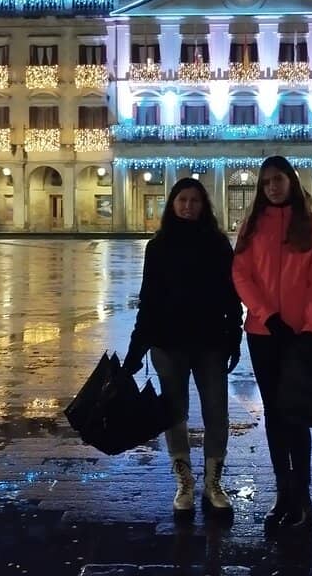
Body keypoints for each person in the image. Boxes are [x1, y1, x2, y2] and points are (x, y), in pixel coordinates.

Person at [122, 177, 243, 518]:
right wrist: (136, 350)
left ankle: (213, 482)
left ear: (203, 205)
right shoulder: (158, 246)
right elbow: (149, 301)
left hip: (210, 342)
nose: (188, 206)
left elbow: (231, 296)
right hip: (168, 343)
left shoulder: (218, 244)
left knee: (216, 412)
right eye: (182, 200)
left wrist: (234, 336)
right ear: (172, 204)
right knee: (174, 414)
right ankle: (184, 481)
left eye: (194, 200)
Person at [232, 155, 312, 534]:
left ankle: (302, 494)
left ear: (292, 180)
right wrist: (265, 313)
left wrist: (310, 328)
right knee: (274, 413)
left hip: (299, 335)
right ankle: (283, 491)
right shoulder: (252, 226)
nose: (273, 186)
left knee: (296, 413)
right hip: (263, 333)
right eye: (266, 181)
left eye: (278, 179)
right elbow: (240, 274)